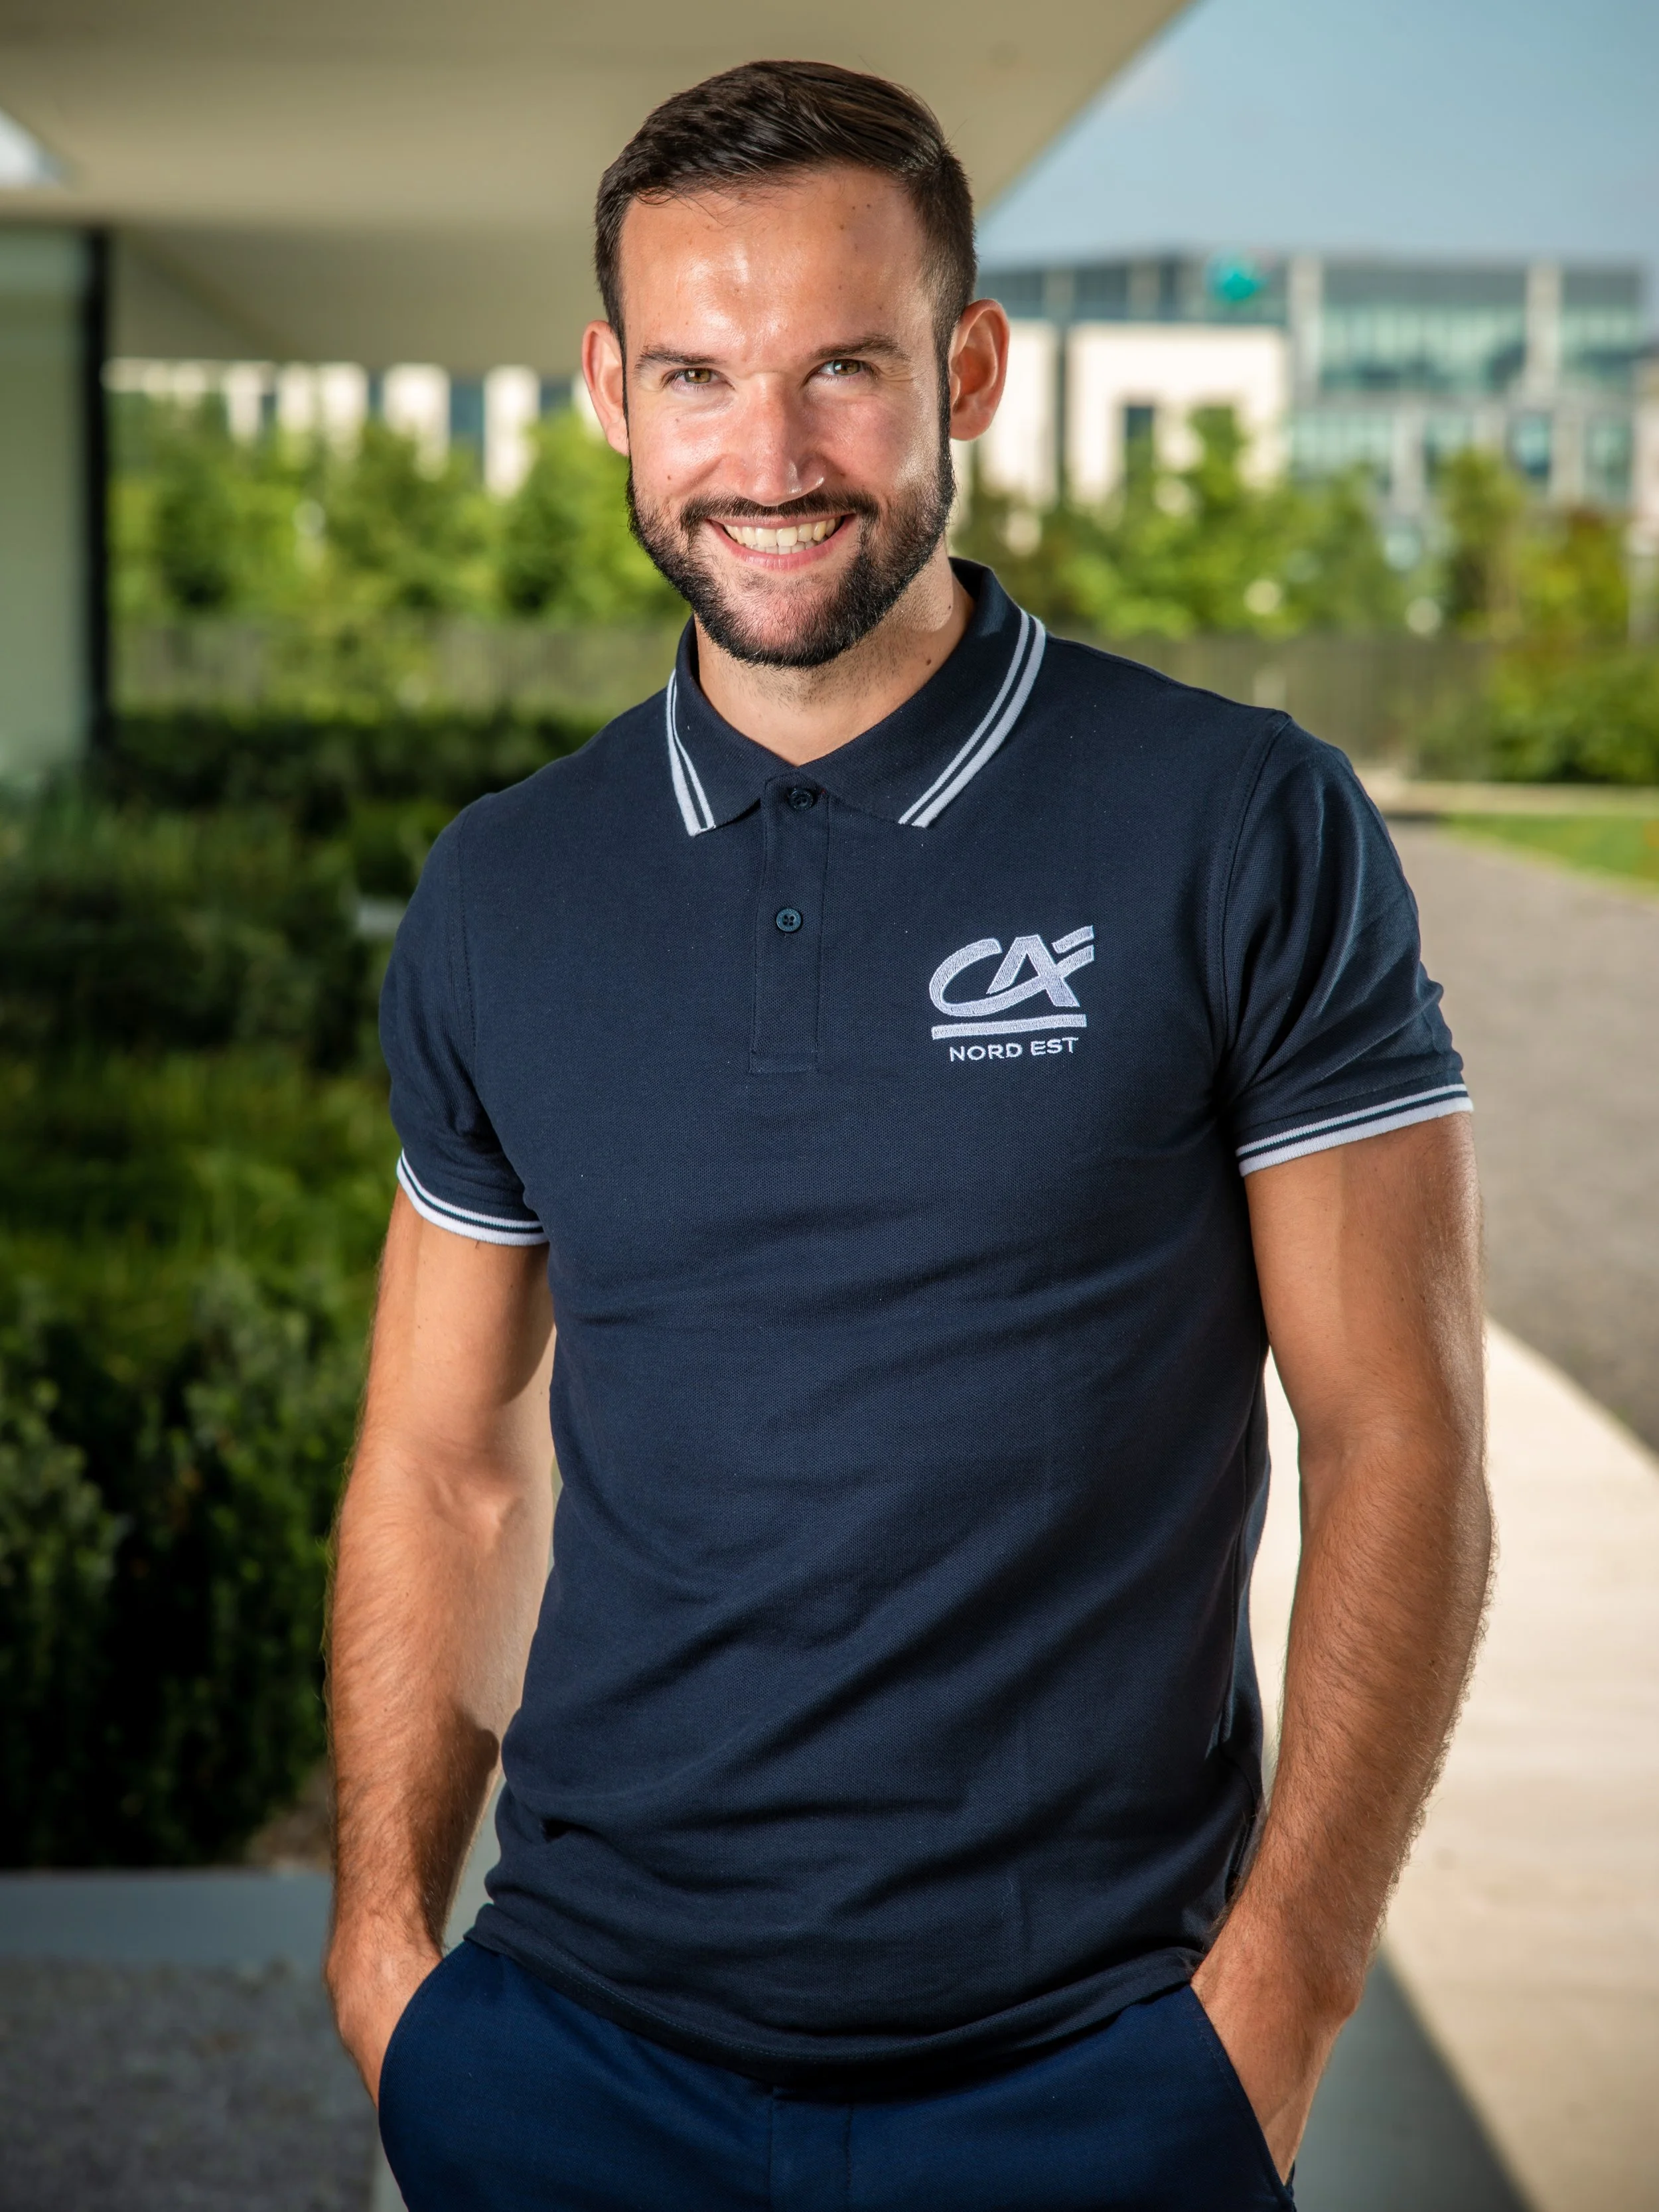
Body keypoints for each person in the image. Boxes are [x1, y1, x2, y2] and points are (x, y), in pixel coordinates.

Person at [326, 60, 1490, 2212]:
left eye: (841, 372)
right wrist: (390, 1962)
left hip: (1086, 2077)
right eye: (693, 372)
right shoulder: (504, 887)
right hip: (568, 2062)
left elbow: (1397, 1434)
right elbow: (445, 1458)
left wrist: (1278, 2003)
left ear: (965, 369)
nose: (763, 460)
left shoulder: (1231, 827)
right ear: (606, 386)